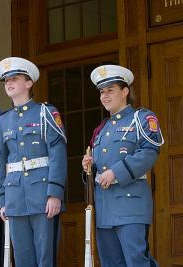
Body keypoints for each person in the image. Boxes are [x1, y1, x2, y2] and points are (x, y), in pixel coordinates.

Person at [82, 65, 164, 267]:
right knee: (111, 263)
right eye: (102, 92)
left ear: (125, 91)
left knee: (137, 262)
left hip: (131, 205)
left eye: (110, 90)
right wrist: (88, 168)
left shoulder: (141, 119)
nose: (105, 96)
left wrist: (115, 173)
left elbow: (149, 152)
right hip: (104, 209)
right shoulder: (102, 129)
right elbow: (97, 169)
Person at [0, 57, 67, 267]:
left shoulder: (46, 112)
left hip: (42, 195)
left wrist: (55, 193)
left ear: (29, 83)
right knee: (23, 259)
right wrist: (2, 200)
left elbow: (57, 153)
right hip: (15, 197)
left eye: (14, 78)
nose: (9, 83)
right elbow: (3, 162)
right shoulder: (3, 120)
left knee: (45, 258)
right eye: (6, 80)